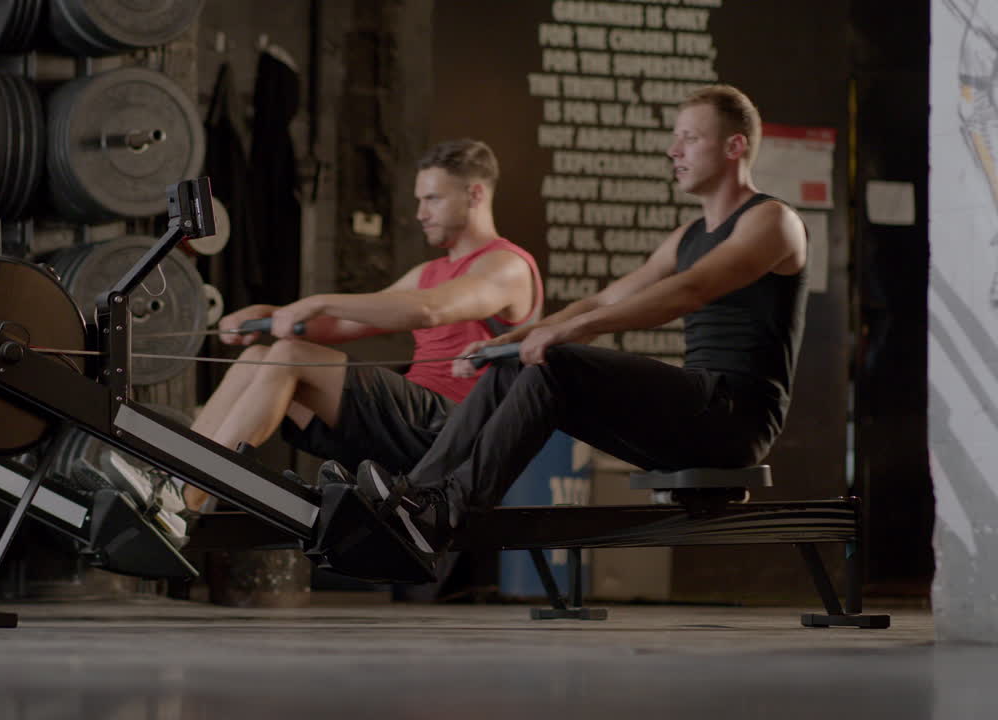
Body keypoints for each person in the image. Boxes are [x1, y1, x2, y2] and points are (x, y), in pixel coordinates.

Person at [333, 85, 810, 556]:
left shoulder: (772, 220)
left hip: (735, 419)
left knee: (557, 364)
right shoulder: (687, 236)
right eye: (676, 137)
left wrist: (566, 333)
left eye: (690, 137)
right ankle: (413, 500)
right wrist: (515, 338)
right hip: (694, 411)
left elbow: (691, 290)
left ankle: (446, 512)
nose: (673, 150)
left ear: (735, 146)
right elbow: (605, 299)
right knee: (513, 366)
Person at [183, 139, 544, 511]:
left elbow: (430, 310)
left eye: (432, 199)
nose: (420, 213)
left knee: (290, 356)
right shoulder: (429, 272)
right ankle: (176, 480)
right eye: (419, 200)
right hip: (410, 426)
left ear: (475, 194)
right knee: (261, 355)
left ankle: (192, 498)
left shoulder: (506, 265)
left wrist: (316, 301)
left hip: (459, 429)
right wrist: (271, 317)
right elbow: (340, 324)